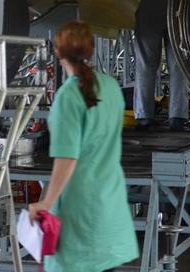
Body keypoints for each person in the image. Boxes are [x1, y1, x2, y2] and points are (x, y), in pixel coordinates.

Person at [28, 21, 138, 272]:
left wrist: (46, 202)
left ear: (57, 52)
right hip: (110, 201)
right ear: (90, 49)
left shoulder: (68, 96)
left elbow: (67, 159)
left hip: (80, 208)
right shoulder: (111, 86)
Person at [132, 0, 190, 131]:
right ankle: (177, 117)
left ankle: (144, 116)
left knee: (146, 64)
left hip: (149, 0)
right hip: (177, 2)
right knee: (179, 64)